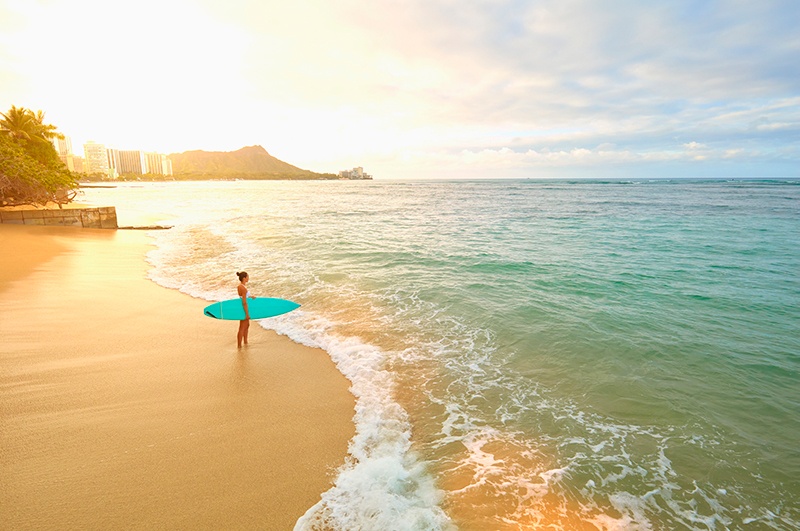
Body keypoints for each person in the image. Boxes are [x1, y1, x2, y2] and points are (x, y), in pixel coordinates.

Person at [236, 271, 256, 348]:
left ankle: (245, 342)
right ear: (244, 278)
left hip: (244, 308)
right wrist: (247, 314)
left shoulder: (241, 286)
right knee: (242, 327)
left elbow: (244, 297)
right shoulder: (242, 288)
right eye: (247, 276)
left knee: (247, 325)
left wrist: (251, 297)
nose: (248, 278)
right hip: (244, 309)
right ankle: (239, 346)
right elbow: (244, 302)